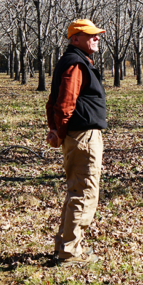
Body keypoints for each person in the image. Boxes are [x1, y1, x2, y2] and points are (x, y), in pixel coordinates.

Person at [46, 18, 107, 263]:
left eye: (97, 35)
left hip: (79, 136)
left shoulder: (73, 61)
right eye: (91, 35)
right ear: (75, 39)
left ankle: (65, 245)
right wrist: (58, 132)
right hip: (83, 137)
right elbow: (64, 104)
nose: (97, 38)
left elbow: (54, 102)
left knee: (76, 191)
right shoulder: (75, 64)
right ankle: (70, 252)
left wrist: (56, 130)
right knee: (84, 193)